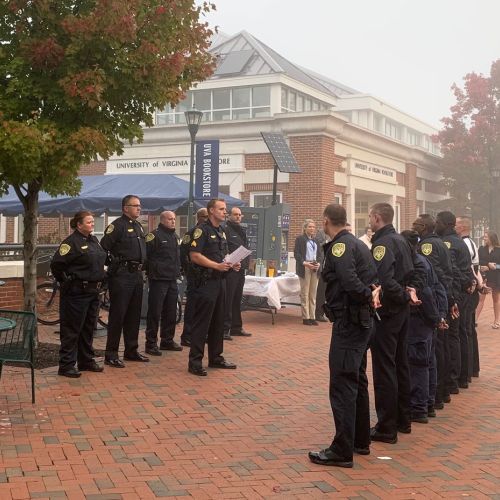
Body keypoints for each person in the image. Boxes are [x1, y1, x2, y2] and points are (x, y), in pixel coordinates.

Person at [308, 204, 380, 468]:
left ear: (326, 221)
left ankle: (341, 450)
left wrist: (365, 297)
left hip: (350, 324)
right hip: (360, 323)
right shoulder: (356, 243)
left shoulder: (340, 245)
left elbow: (349, 281)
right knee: (357, 381)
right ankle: (359, 440)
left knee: (342, 384)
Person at [368, 202, 420, 444]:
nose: (369, 220)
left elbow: (384, 280)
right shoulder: (401, 240)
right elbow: (412, 273)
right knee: (400, 364)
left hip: (388, 312)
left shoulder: (383, 244)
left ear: (377, 218)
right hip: (402, 311)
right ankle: (403, 419)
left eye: (370, 217)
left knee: (385, 367)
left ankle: (386, 426)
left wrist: (398, 296)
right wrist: (407, 295)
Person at [50, 211, 107, 377]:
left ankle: (86, 360)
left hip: (93, 291)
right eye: (88, 222)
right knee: (72, 329)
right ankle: (67, 365)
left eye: (92, 222)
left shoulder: (93, 240)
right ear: (79, 224)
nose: (92, 224)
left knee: (88, 328)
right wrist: (66, 282)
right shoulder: (70, 243)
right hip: (76, 293)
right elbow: (57, 265)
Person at [187, 198, 239, 376]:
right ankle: (195, 361)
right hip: (206, 282)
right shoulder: (201, 231)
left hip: (220, 281)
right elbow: (194, 255)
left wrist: (231, 263)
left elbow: (222, 255)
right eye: (222, 209)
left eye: (225, 209)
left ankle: (216, 357)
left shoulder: (222, 230)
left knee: (218, 321)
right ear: (211, 211)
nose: (225, 212)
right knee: (202, 323)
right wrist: (216, 266)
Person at [100, 195, 149, 368]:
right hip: (121, 275)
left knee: (134, 315)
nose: (139, 208)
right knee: (118, 315)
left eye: (139, 205)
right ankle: (111, 353)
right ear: (125, 208)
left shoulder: (138, 226)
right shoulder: (117, 226)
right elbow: (102, 249)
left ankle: (131, 350)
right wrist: (112, 266)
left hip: (136, 275)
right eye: (135, 205)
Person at [412, 214, 453, 412]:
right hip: (439, 301)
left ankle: (433, 397)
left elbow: (431, 282)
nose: (414, 228)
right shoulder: (440, 243)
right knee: (436, 353)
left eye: (416, 225)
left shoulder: (426, 247)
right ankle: (437, 395)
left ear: (424, 228)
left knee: (431, 355)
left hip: (431, 306)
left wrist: (438, 313)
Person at [401, 230, 443, 424]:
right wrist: (438, 316)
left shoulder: (415, 264)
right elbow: (438, 288)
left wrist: (434, 316)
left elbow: (426, 291)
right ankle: (428, 403)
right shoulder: (424, 261)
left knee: (418, 363)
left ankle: (419, 407)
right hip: (428, 318)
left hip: (419, 318)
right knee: (427, 361)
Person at [435, 211, 475, 395]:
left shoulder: (448, 243)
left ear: (445, 223)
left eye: (438, 222)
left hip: (455, 293)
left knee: (452, 335)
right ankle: (463, 376)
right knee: (460, 334)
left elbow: (451, 272)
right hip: (462, 292)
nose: (436, 224)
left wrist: (453, 296)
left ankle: (453, 378)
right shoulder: (460, 242)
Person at [144, 211, 182, 356]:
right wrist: (151, 272)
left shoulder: (175, 236)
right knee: (155, 312)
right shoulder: (154, 235)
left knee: (171, 311)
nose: (173, 221)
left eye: (174, 219)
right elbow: (145, 256)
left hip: (172, 279)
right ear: (163, 220)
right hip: (158, 279)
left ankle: (167, 340)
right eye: (170, 219)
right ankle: (151, 343)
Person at [456, 216, 485, 381]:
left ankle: (466, 371)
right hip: (473, 287)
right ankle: (472, 368)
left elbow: (470, 269)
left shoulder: (465, 244)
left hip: (468, 289)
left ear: (462, 227)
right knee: (469, 330)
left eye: (457, 224)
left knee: (465, 330)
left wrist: (476, 284)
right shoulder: (471, 243)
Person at [179, 207, 208, 347]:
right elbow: (183, 253)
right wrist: (189, 269)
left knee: (204, 308)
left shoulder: (212, 232)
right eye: (205, 216)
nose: (207, 219)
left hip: (209, 276)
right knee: (192, 306)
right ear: (199, 218)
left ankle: (201, 334)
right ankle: (187, 335)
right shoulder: (191, 233)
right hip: (195, 276)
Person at [223, 207, 252, 340]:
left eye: (240, 215)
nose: (238, 217)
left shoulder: (242, 230)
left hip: (241, 269)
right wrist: (231, 262)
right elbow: (225, 249)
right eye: (235, 215)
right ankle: (225, 329)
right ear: (229, 216)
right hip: (230, 270)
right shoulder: (225, 229)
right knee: (228, 299)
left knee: (237, 299)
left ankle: (236, 327)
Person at [294, 219, 320, 325]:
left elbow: (320, 254)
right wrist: (304, 263)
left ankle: (312, 317)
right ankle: (306, 317)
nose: (312, 229)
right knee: (305, 293)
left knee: (313, 293)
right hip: (305, 266)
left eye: (313, 227)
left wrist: (319, 263)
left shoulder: (316, 241)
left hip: (315, 266)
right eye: (310, 227)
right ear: (305, 228)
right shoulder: (300, 239)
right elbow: (297, 254)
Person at [478, 230, 500, 328]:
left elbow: (498, 265)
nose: (484, 238)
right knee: (481, 299)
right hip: (484, 277)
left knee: (496, 299)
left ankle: (497, 321)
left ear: (492, 238)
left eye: (486, 237)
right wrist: (487, 265)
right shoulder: (481, 249)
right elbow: (479, 261)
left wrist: (495, 267)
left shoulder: (499, 250)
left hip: (496, 277)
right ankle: (475, 319)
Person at [314, 228, 330, 322]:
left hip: (330, 267)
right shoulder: (321, 233)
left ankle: (323, 312)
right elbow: (318, 247)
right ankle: (318, 313)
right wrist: (327, 241)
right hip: (322, 267)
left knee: (327, 293)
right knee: (321, 292)